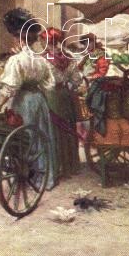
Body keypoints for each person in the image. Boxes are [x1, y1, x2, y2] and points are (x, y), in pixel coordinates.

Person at [0, 8, 61, 189]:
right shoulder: (41, 60)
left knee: (24, 137)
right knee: (41, 135)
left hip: (24, 101)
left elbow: (10, 88)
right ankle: (44, 177)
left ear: (19, 39)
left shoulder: (16, 60)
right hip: (39, 100)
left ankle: (27, 175)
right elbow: (50, 84)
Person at [41, 27, 84, 179]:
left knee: (55, 130)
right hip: (66, 95)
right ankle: (70, 165)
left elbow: (43, 80)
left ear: (48, 42)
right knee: (67, 129)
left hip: (51, 96)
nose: (43, 44)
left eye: (44, 41)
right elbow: (77, 80)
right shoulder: (68, 57)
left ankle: (57, 165)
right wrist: (68, 84)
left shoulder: (44, 59)